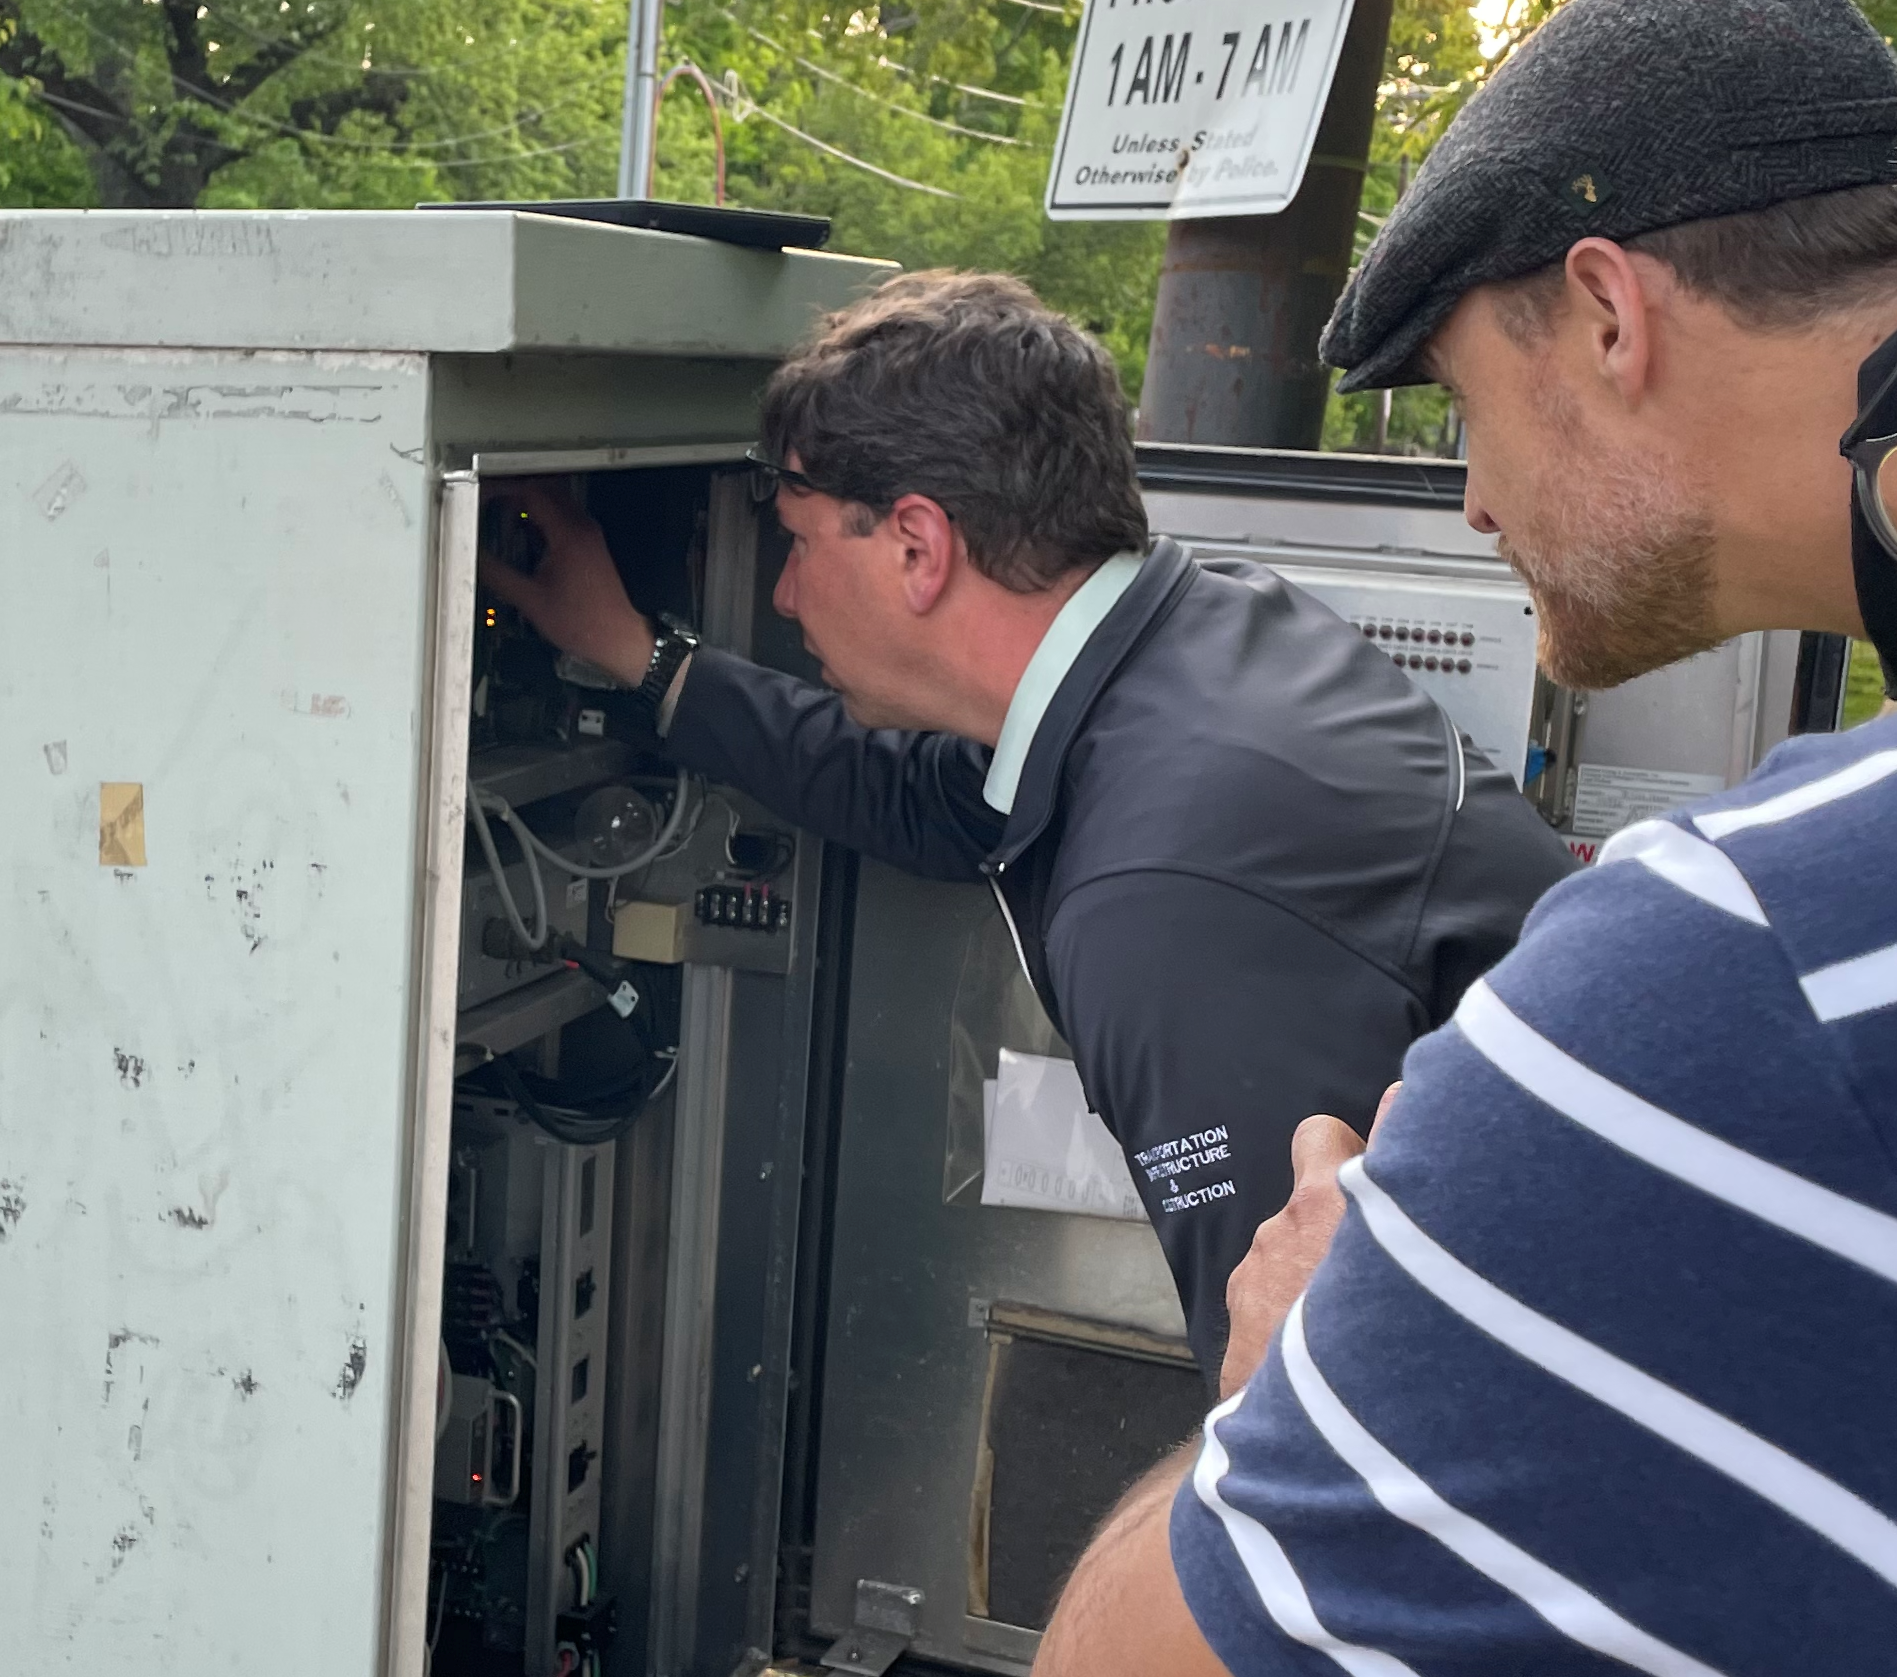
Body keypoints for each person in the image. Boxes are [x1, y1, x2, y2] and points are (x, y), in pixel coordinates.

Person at [1035, 0, 1897, 1675]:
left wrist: (1326, 1357)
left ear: (1602, 314)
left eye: (1455, 399)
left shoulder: (1732, 961)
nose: (1467, 500)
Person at [482, 269, 1573, 1374]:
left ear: (916, 546)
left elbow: (1304, 1386)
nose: (783, 595)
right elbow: (921, 789)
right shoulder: (1194, 639)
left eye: (799, 542)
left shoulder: (1160, 894)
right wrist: (639, 655)